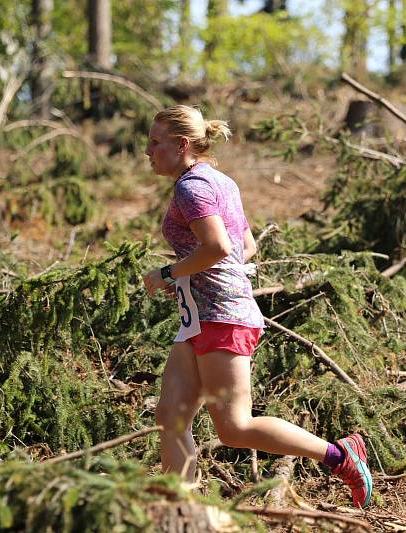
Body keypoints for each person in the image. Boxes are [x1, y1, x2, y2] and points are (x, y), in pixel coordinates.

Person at [142, 105, 372, 509]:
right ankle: (181, 510)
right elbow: (247, 247)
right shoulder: (221, 181)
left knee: (234, 427)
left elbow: (219, 248)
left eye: (155, 142)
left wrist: (169, 272)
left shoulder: (190, 188)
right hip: (201, 315)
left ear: (181, 145)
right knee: (171, 416)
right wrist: (194, 277)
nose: (148, 151)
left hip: (222, 316)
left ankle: (340, 456)